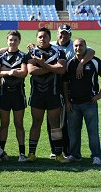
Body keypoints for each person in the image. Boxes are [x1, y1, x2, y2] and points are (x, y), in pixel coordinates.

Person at [47, 24, 95, 159]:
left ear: (70, 34)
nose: (63, 36)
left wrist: (81, 63)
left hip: (69, 87)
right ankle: (54, 149)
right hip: (52, 86)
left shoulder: (75, 45)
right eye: (61, 33)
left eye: (66, 33)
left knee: (68, 122)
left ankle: (67, 151)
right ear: (57, 33)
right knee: (53, 120)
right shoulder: (50, 44)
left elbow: (91, 52)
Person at [26, 27, 68, 163]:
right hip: (37, 94)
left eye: (45, 36)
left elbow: (61, 69)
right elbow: (32, 70)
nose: (42, 39)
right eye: (40, 37)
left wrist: (43, 64)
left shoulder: (58, 51)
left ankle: (58, 154)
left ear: (50, 38)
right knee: (36, 123)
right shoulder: (32, 52)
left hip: (53, 93)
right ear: (36, 38)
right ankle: (31, 153)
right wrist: (51, 67)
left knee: (55, 124)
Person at [0, 30, 28, 162]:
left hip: (18, 93)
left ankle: (22, 154)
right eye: (10, 40)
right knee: (3, 124)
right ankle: (1, 153)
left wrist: (5, 71)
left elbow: (23, 73)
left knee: (19, 124)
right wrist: (9, 72)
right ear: (7, 41)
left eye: (15, 40)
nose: (12, 42)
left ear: (19, 41)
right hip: (4, 93)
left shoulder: (23, 56)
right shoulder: (1, 57)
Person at [63, 38, 101, 165]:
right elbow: (65, 83)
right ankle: (75, 155)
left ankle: (96, 156)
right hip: (73, 104)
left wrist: (99, 95)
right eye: (76, 46)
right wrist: (67, 101)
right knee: (73, 132)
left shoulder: (94, 62)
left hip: (90, 103)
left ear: (85, 46)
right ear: (73, 48)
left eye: (80, 46)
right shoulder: (70, 63)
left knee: (93, 132)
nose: (78, 48)